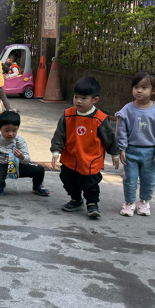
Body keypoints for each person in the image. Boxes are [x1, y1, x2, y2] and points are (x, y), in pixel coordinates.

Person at [50, 75, 120, 220]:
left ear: (95, 100)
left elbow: (109, 137)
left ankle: (92, 204)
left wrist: (115, 153)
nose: (78, 101)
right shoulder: (68, 115)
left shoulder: (100, 118)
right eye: (76, 97)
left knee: (90, 183)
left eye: (83, 98)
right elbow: (59, 134)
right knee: (67, 179)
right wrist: (56, 150)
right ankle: (76, 199)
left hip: (90, 160)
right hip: (70, 158)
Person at [115, 70, 155, 217]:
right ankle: (129, 202)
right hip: (131, 152)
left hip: (151, 153)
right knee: (130, 179)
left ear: (154, 91)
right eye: (136, 87)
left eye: (144, 87)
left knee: (149, 179)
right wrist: (122, 148)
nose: (139, 90)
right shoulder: (127, 110)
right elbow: (121, 131)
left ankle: (144, 201)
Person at [0, 110, 49, 196]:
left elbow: (27, 159)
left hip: (18, 165)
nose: (10, 134)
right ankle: (0, 185)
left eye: (14, 131)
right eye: (7, 131)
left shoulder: (20, 140)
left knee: (39, 170)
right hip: (0, 165)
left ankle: (37, 186)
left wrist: (22, 157)